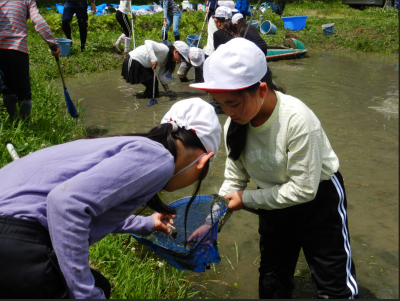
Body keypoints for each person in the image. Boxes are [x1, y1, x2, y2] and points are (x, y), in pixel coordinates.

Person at [0, 97, 222, 299]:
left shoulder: (126, 146)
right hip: (16, 243)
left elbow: (91, 204)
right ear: (204, 160)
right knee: (96, 289)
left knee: (100, 284)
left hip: (13, 232)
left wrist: (145, 223)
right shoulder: (161, 160)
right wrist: (85, 295)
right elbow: (65, 204)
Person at [189, 38, 359, 299]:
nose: (226, 112)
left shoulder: (297, 120)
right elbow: (234, 181)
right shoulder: (234, 124)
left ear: (261, 89)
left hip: (319, 201)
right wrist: (213, 222)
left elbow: (304, 190)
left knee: (333, 283)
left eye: (232, 103)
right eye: (219, 103)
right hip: (271, 200)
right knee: (272, 281)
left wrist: (246, 199)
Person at [0, 0, 61, 122]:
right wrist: (53, 44)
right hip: (18, 48)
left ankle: (13, 119)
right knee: (23, 89)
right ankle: (25, 124)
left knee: (7, 85)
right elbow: (38, 20)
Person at [121, 40, 189, 98]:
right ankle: (143, 104)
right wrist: (153, 58)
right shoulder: (164, 49)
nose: (180, 61)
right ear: (176, 52)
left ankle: (144, 98)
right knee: (152, 85)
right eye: (181, 58)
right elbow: (147, 42)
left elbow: (161, 75)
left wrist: (167, 88)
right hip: (134, 60)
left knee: (154, 88)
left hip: (143, 64)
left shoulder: (167, 60)